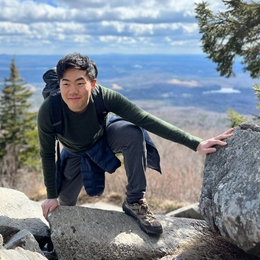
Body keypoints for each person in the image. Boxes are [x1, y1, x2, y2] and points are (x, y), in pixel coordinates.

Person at [37, 52, 233, 236]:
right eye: (66, 84)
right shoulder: (50, 110)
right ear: (60, 84)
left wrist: (196, 143)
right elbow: (47, 153)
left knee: (132, 132)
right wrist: (51, 195)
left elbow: (144, 118)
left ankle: (135, 201)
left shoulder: (103, 97)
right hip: (73, 153)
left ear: (93, 83)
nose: (73, 91)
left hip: (103, 138)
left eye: (80, 83)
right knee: (63, 207)